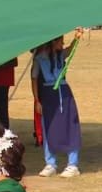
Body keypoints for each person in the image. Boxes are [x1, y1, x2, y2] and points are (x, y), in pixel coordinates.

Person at [31, 33, 82, 178]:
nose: (62, 44)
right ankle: (50, 163)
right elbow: (34, 79)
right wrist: (37, 100)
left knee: (69, 126)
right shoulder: (39, 58)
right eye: (60, 42)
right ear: (53, 42)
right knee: (48, 127)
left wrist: (77, 38)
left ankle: (73, 164)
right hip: (48, 95)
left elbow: (71, 49)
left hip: (64, 93)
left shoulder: (61, 55)